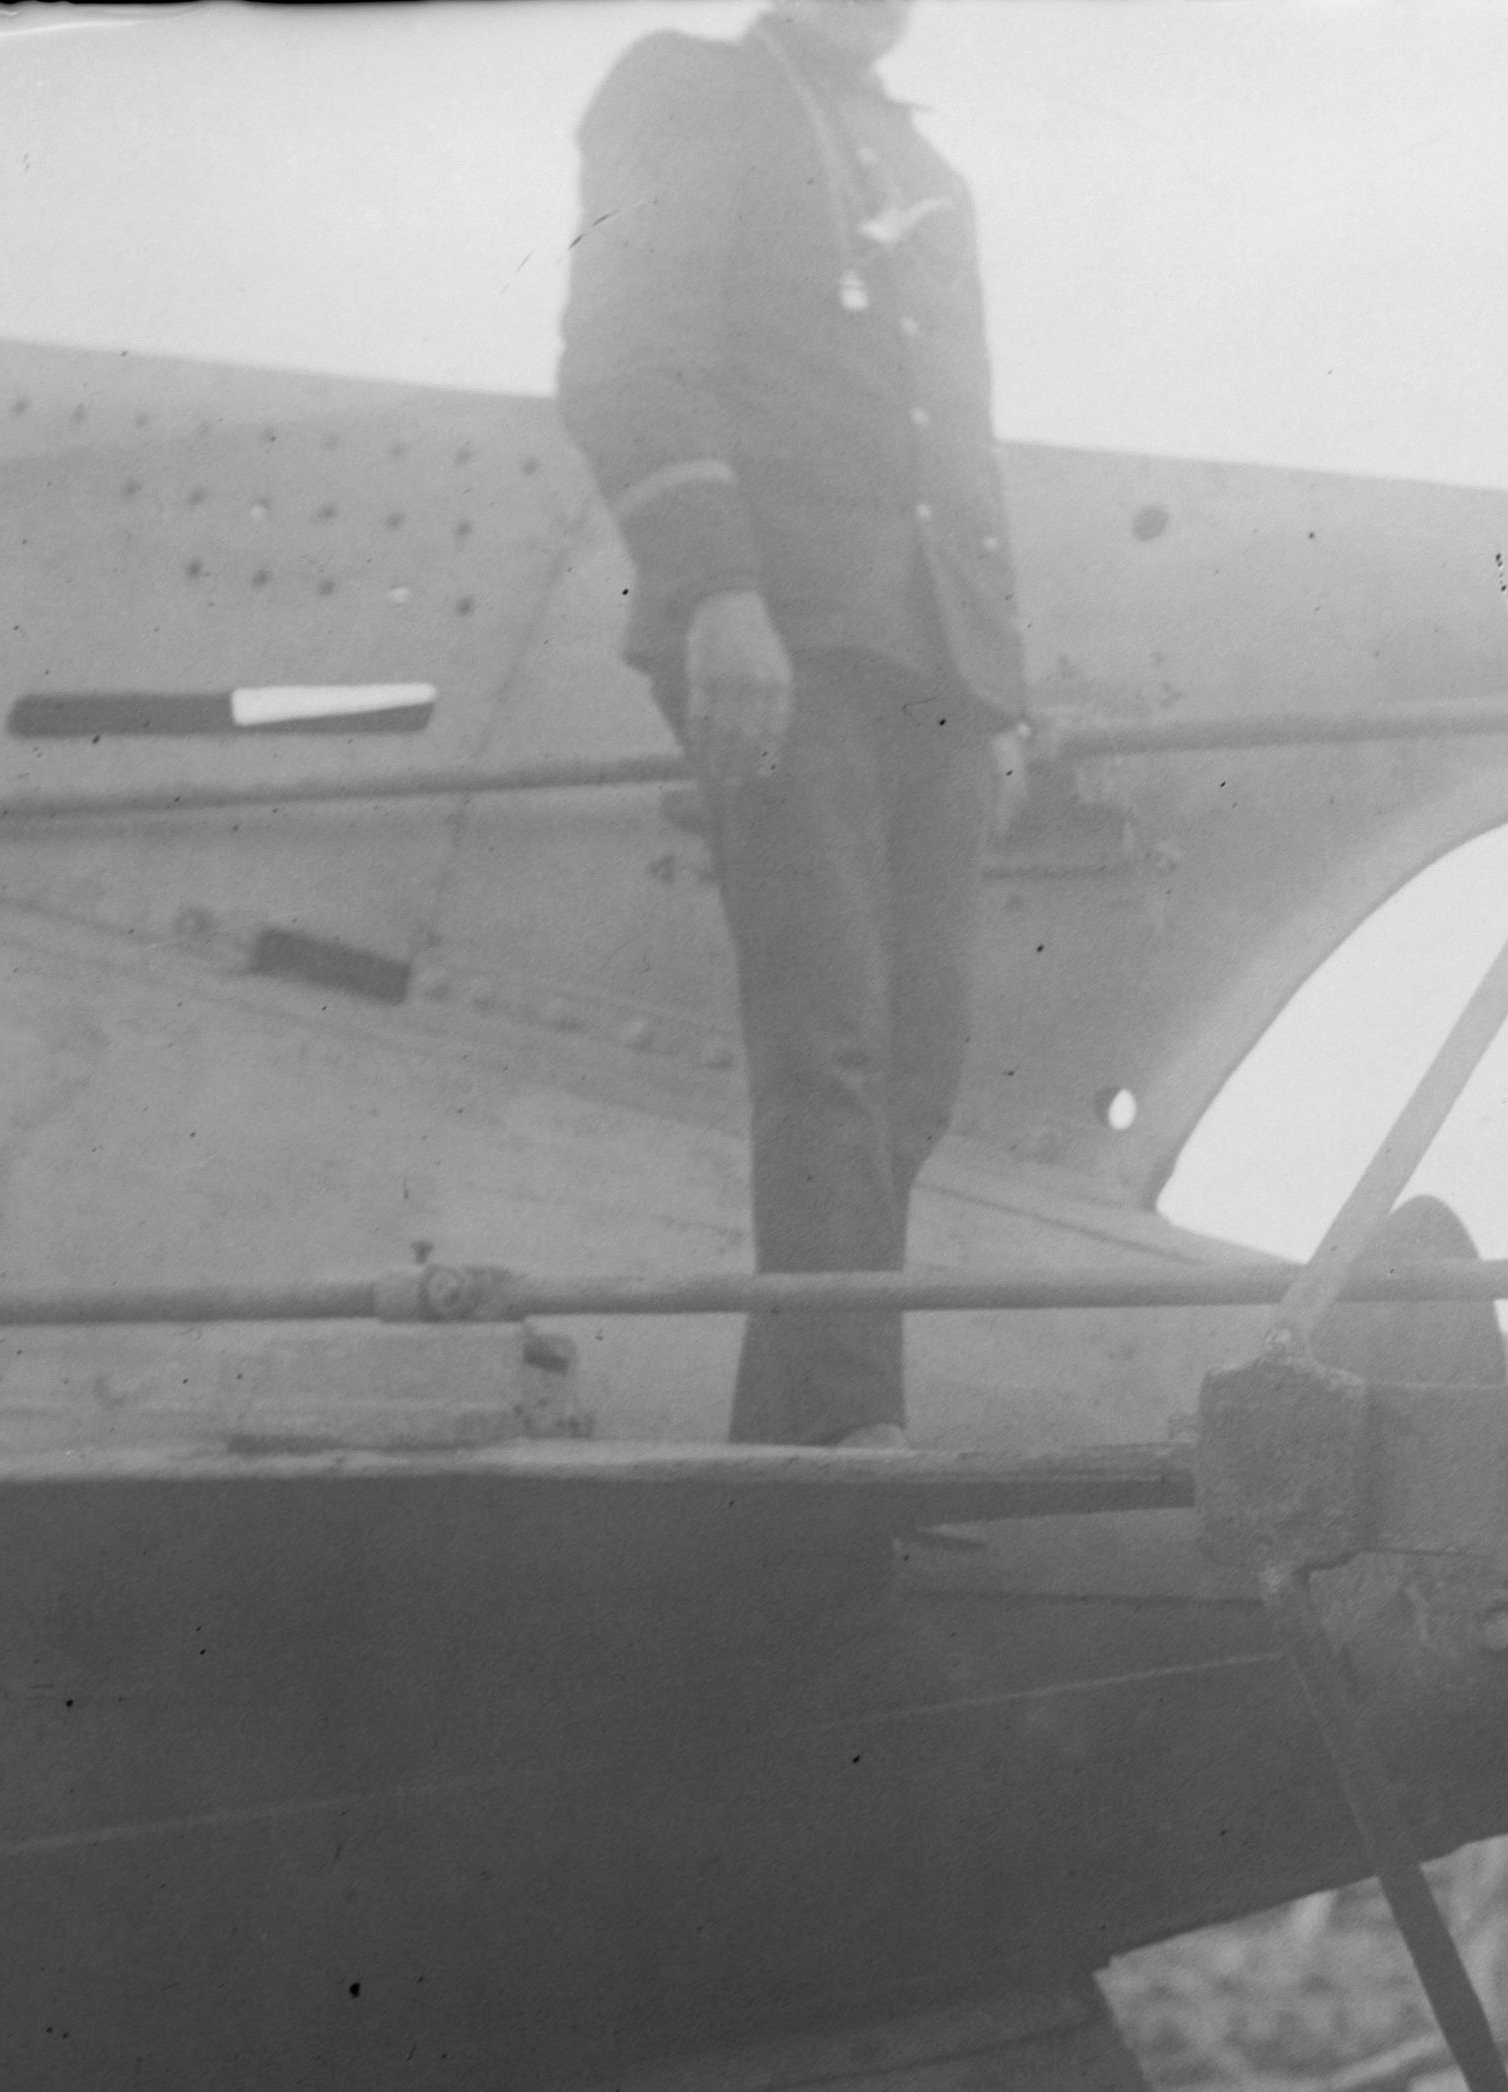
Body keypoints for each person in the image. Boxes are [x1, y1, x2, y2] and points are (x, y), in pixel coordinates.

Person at [557, 0, 1027, 1449]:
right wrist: (718, 593)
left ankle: (795, 1444)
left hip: (932, 657)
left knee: (917, 1063)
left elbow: (958, 435)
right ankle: (841, 1440)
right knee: (828, 1051)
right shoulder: (689, 89)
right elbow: (627, 355)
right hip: (788, 632)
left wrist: (996, 687)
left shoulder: (920, 162)